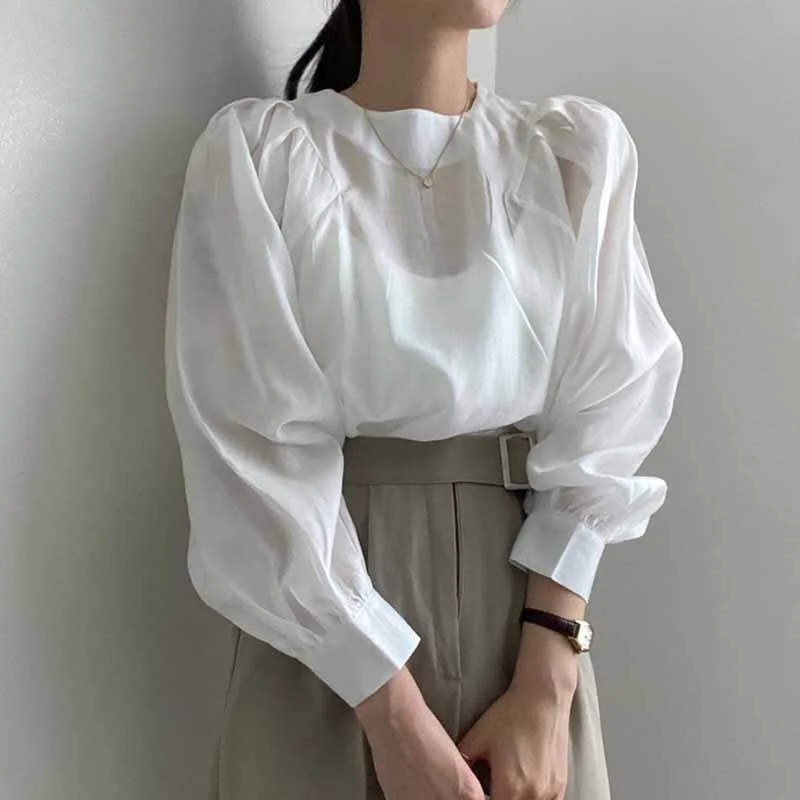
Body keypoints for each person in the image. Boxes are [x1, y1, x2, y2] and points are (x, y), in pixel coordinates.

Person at [163, 1, 684, 798]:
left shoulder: (572, 155)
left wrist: (547, 682)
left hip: (527, 616)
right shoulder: (261, 157)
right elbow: (248, 450)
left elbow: (606, 415)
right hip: (326, 623)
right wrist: (390, 713)